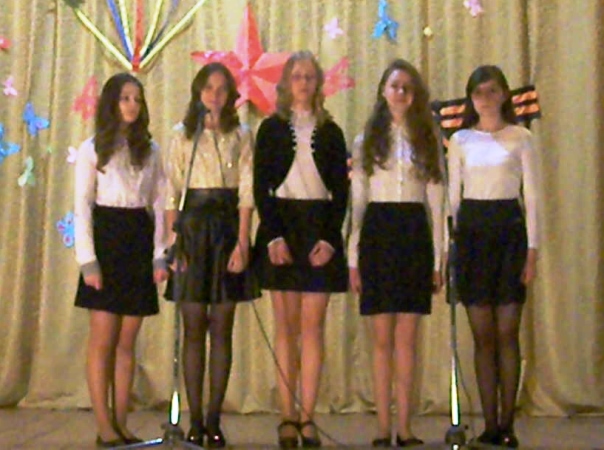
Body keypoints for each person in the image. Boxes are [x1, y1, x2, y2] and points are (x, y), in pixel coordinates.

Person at [253, 50, 349, 448]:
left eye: (310, 76)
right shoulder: (270, 129)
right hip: (282, 225)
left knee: (313, 327)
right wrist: (273, 236)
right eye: (297, 76)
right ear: (286, 84)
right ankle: (287, 415)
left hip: (318, 226)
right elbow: (261, 187)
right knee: (286, 327)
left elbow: (341, 191)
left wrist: (329, 239)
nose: (304, 83)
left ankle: (308, 416)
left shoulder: (332, 132)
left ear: (319, 83)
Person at [348, 59, 444, 447]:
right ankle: (382, 427)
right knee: (381, 340)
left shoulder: (427, 138)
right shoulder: (366, 141)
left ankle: (405, 428)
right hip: (378, 232)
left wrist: (438, 259)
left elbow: (436, 202)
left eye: (407, 87)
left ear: (415, 94)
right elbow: (358, 204)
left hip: (413, 232)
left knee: (407, 340)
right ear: (383, 92)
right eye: (394, 86)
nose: (401, 92)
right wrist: (353, 258)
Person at [163, 62, 258, 448]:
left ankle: (215, 419)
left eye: (221, 89)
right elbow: (171, 192)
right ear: (197, 92)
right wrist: (174, 244)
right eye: (208, 88)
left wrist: (242, 242)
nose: (214, 95)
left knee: (221, 326)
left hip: (226, 231)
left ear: (230, 95)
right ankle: (195, 419)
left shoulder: (242, 134)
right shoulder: (183, 134)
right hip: (191, 231)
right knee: (193, 327)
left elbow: (247, 192)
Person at [448, 65, 540, 448]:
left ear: (504, 94)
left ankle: (507, 424)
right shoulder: (460, 140)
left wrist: (532, 251)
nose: (485, 99)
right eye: (478, 93)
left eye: (492, 91)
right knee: (482, 335)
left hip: (509, 235)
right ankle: (489, 425)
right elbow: (453, 200)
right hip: (472, 236)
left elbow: (531, 198)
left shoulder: (521, 138)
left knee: (507, 332)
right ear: (470, 99)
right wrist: (449, 249)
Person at [74, 72, 168, 448]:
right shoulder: (92, 149)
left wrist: (160, 254)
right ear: (112, 103)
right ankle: (104, 425)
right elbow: (82, 205)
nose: (132, 105)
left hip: (138, 239)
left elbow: (158, 204)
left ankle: (122, 422)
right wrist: (88, 260)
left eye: (137, 99)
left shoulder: (151, 150)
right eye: (125, 98)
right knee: (103, 340)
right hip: (106, 239)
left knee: (127, 341)